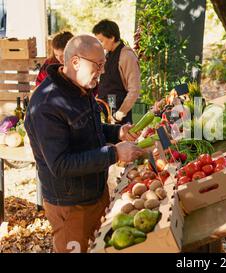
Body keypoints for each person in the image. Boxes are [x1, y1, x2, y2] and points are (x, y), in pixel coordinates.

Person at [24, 35, 144, 253]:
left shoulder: (81, 86)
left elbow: (90, 129)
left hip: (96, 192)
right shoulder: (46, 105)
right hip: (71, 205)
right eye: (98, 65)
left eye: (104, 64)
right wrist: (114, 154)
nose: (103, 71)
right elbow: (60, 164)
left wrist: (117, 132)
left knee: (101, 248)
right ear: (75, 62)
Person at [92, 19, 141, 124]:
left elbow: (135, 89)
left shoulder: (127, 56)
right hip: (106, 110)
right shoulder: (108, 55)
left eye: (101, 41)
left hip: (119, 115)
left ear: (112, 37)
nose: (100, 45)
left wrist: (120, 114)